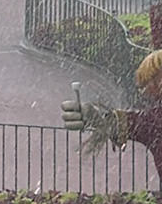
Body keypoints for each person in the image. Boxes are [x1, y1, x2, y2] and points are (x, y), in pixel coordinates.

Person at [62, 48, 162, 176]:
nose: (146, 91)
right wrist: (100, 118)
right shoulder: (152, 122)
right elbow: (137, 123)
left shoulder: (153, 122)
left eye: (150, 81)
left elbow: (139, 123)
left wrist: (100, 119)